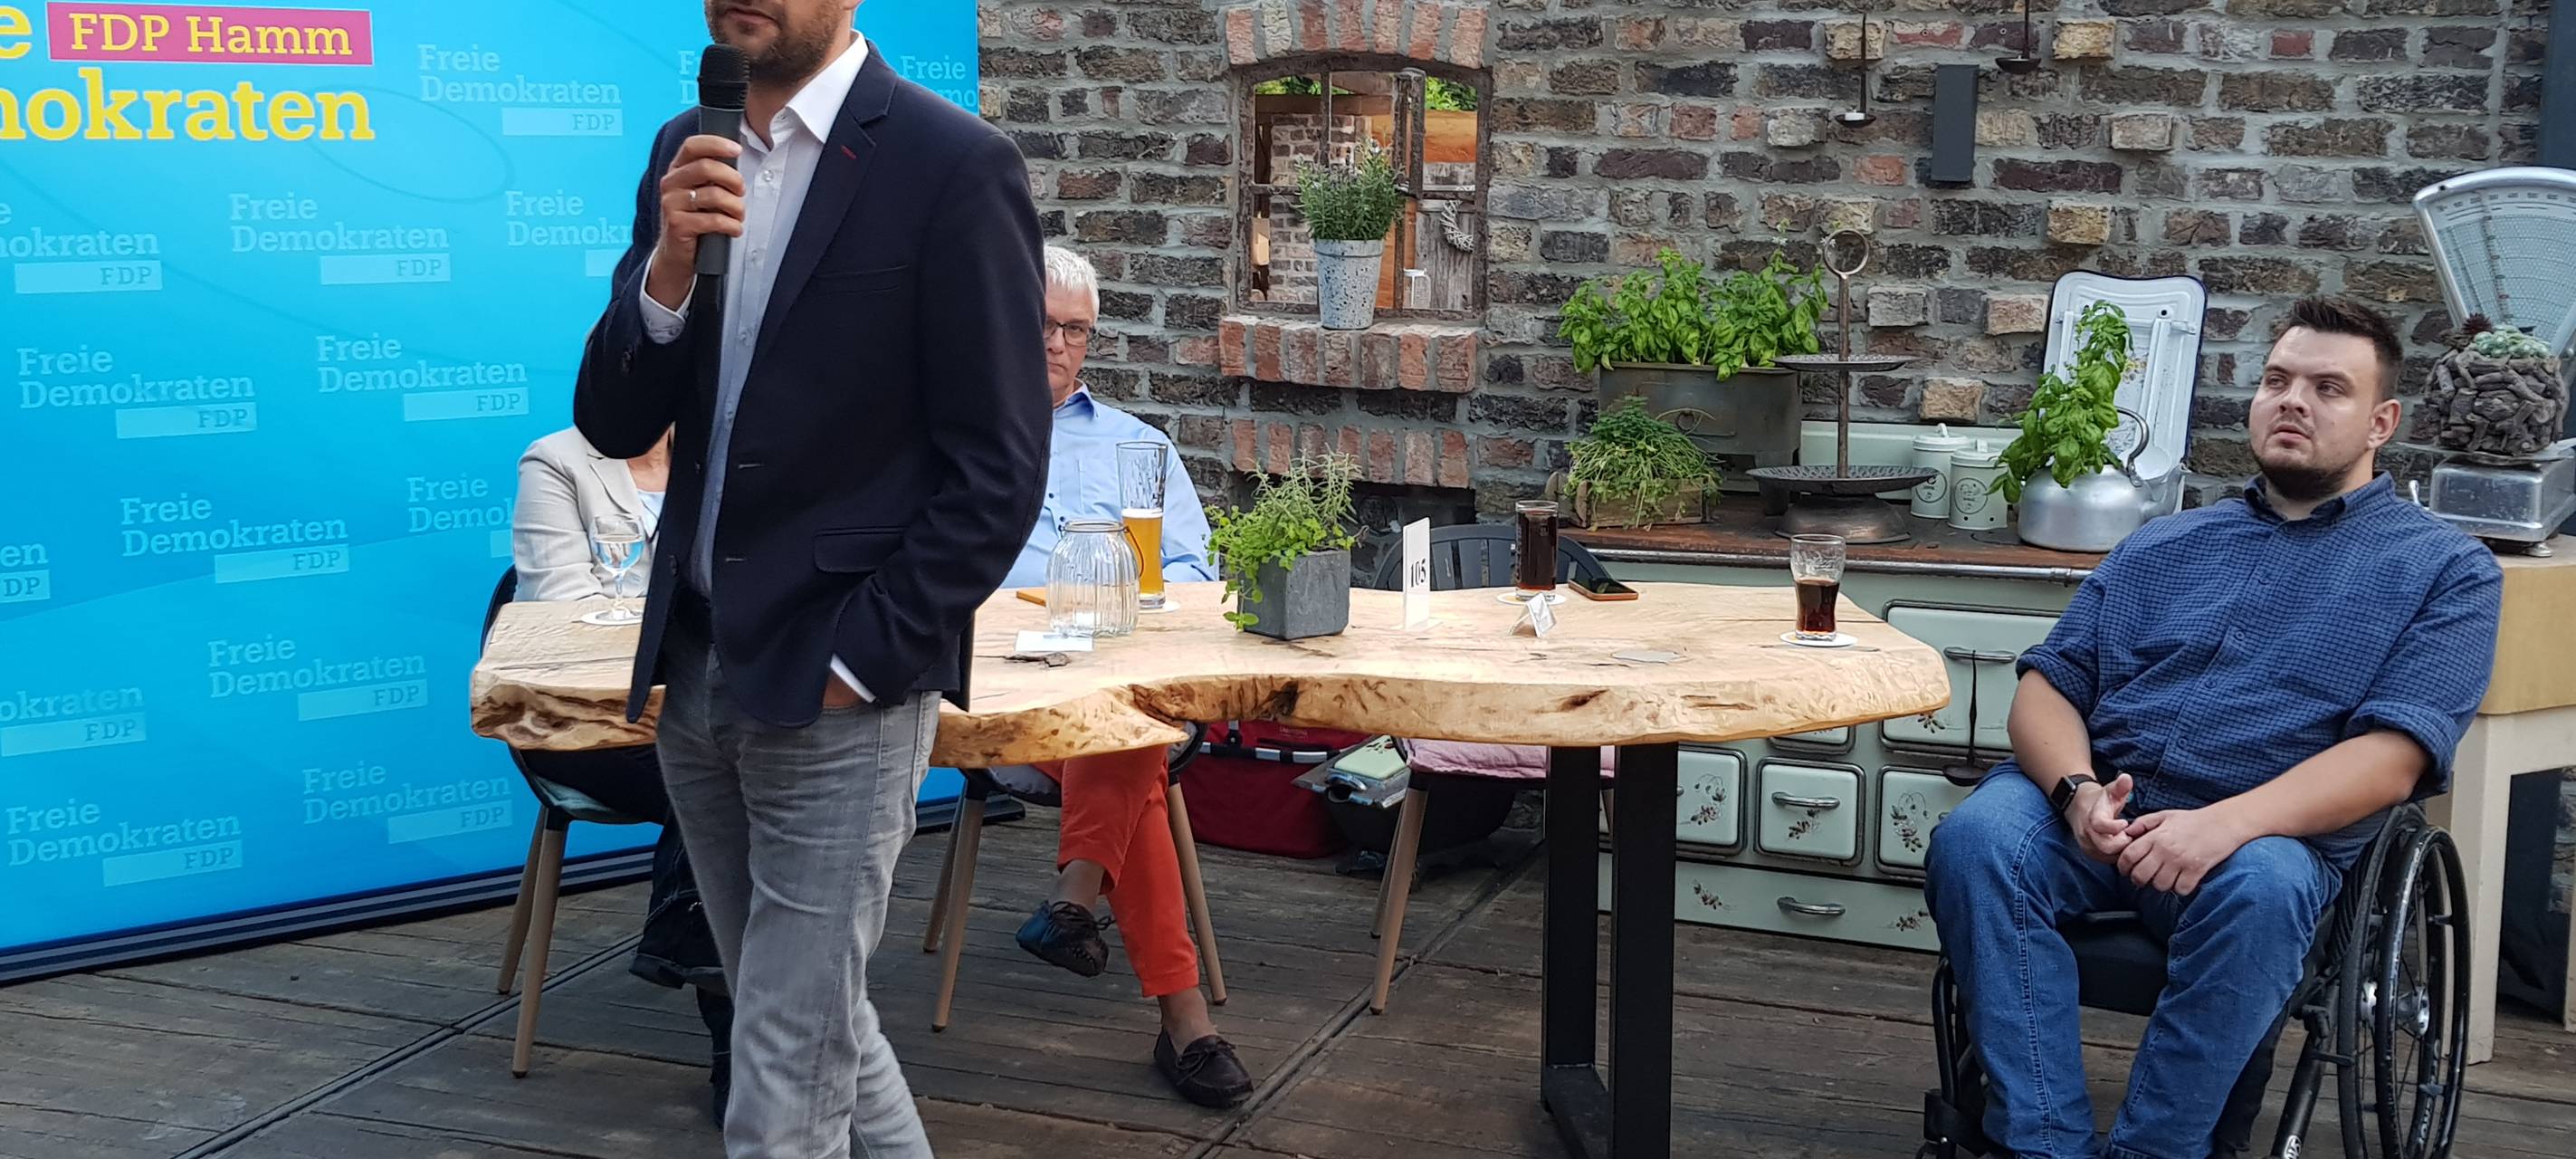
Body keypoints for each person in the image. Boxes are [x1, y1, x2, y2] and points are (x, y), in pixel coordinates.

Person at [570, 0, 1048, 1154]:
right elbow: (611, 415)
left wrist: (863, 657)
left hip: (838, 678)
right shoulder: (688, 144)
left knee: (780, 1066)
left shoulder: (953, 164)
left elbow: (998, 466)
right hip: (693, 660)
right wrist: (667, 271)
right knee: (816, 1019)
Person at [1923, 295, 2504, 1159]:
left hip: (2257, 841)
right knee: (1977, 837)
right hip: (2096, 816)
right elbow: (2048, 689)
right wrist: (2077, 794)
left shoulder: (2446, 570)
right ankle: (2042, 1144)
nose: (2293, 401)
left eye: (2328, 388)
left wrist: (2220, 826)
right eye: (2277, 380)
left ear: (2382, 421)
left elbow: (2393, 760)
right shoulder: (2165, 542)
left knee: (2267, 886)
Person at [995, 245, 1252, 1108]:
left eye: (1076, 331)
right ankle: (1185, 1022)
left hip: (1118, 677)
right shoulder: (956, 437)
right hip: (1005, 692)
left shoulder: (1140, 447)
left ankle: (1077, 897)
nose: (1058, 346)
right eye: (1042, 326)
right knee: (1134, 749)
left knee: (1126, 730)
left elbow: (1191, 578)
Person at [507, 425, 735, 1125]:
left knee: (752, 777)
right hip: (584, 726)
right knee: (725, 790)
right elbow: (564, 614)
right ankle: (740, 1051)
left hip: (698, 715)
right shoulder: (558, 463)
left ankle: (691, 936)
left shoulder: (723, 454)